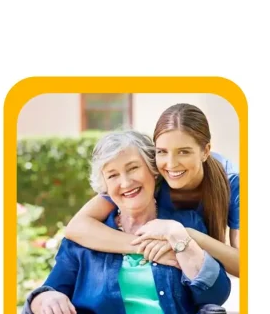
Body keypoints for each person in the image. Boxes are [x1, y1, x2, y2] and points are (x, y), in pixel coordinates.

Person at [21, 130, 231, 314]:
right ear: (105, 187)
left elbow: (216, 292)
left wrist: (180, 243)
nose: (125, 182)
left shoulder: (185, 224)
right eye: (113, 175)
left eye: (133, 168)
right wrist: (44, 299)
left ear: (152, 171)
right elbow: (50, 288)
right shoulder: (85, 237)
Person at [64, 103, 240, 277]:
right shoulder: (152, 175)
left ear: (205, 151)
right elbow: (77, 227)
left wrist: (185, 236)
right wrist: (143, 246)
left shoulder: (232, 182)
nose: (171, 164)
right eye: (162, 151)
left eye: (184, 152)